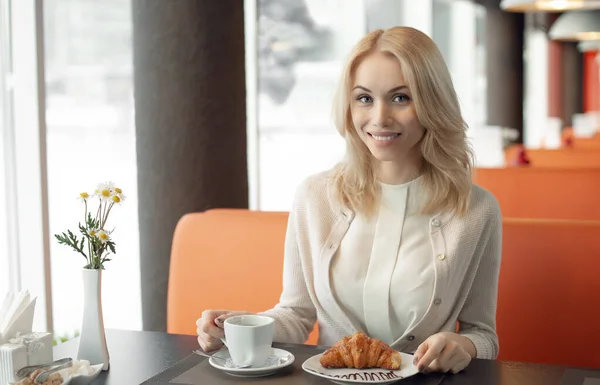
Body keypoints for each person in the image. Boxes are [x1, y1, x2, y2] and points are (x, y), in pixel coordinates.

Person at [196, 26, 502, 375]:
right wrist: (237, 326)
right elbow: (295, 317)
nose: (379, 118)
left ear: (433, 102)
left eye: (401, 97)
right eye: (364, 98)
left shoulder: (476, 211)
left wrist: (463, 345)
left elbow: (484, 336)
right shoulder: (314, 197)